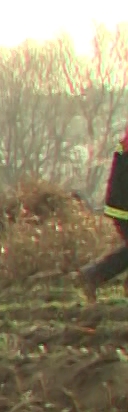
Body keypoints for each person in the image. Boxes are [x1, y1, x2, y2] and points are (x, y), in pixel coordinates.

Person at [78, 124, 128, 302]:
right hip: (124, 207)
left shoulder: (124, 144)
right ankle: (94, 274)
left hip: (119, 205)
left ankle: (95, 275)